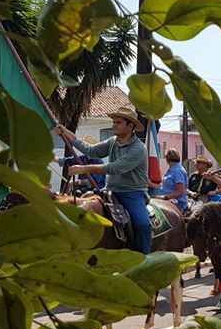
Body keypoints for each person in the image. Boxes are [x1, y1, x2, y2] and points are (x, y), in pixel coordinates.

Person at [55, 106, 152, 254]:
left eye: (118, 122)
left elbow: (115, 168)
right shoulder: (113, 141)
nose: (114, 125)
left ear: (130, 125)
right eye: (113, 122)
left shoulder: (138, 149)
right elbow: (91, 150)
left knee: (143, 225)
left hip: (132, 193)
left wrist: (85, 169)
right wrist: (66, 133)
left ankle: (145, 258)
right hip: (109, 191)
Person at [154, 148, 188, 212]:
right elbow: (165, 186)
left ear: (167, 159)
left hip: (177, 202)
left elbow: (180, 191)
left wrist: (165, 197)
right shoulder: (171, 169)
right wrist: (151, 184)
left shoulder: (178, 171)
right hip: (168, 199)